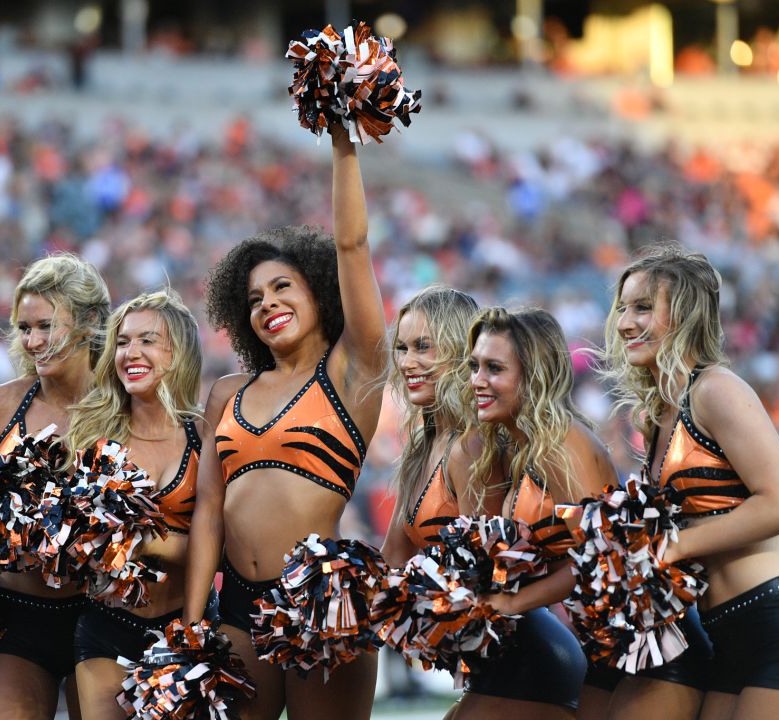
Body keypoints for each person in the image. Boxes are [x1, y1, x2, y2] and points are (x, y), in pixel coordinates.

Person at [183, 122, 387, 720]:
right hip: (238, 608)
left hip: (322, 603)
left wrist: (344, 143)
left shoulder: (352, 375)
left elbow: (352, 246)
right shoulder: (226, 392)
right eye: (254, 298)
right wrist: (194, 626)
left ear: (319, 293)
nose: (268, 303)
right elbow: (208, 512)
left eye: (282, 287)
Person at [602, 244, 779, 719]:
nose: (625, 322)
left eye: (643, 307)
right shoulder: (658, 414)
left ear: (685, 313)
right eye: (622, 307)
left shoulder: (716, 389)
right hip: (723, 637)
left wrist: (676, 545)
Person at [0, 254, 111, 720]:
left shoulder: (125, 409)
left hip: (102, 616)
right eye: (24, 328)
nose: (33, 341)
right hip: (16, 616)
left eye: (46, 325)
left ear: (88, 322)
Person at [462, 306, 616, 720]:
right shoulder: (524, 445)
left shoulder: (560, 445)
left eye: (494, 368)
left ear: (533, 376)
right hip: (597, 649)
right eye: (474, 366)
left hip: (635, 654)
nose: (477, 380)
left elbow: (604, 557)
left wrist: (511, 604)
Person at [65, 289, 205, 719]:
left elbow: (222, 551)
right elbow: (69, 542)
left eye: (147, 340)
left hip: (185, 622)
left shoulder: (206, 436)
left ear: (178, 352)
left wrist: (144, 541)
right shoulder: (90, 433)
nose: (131, 352)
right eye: (123, 342)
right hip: (107, 625)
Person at [380, 285, 488, 566]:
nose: (406, 362)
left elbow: (482, 570)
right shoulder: (421, 447)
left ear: (459, 350)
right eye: (402, 348)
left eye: (422, 347)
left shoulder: (471, 445)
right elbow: (394, 557)